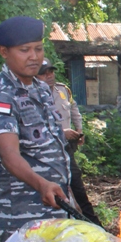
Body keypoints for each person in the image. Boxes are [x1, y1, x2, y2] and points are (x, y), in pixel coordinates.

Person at [0, 16, 71, 242]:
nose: (34, 56)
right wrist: (42, 184)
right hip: (21, 218)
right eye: (24, 50)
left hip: (54, 210)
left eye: (38, 49)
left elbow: (56, 152)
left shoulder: (40, 89)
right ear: (4, 52)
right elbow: (9, 156)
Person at [38, 60, 102, 225]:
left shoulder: (62, 90)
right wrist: (61, 133)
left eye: (51, 72)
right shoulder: (32, 96)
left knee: (77, 186)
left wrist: (80, 131)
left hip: (65, 147)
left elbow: (73, 109)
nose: (49, 76)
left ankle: (94, 226)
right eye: (44, 73)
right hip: (45, 152)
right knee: (59, 191)